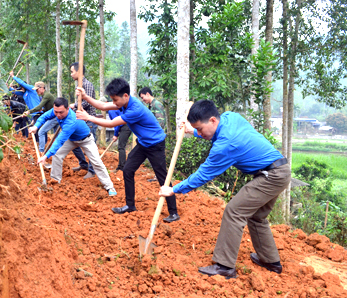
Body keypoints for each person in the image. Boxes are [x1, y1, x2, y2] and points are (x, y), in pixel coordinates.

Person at [158, 100, 291, 279]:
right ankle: (271, 261)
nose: (199, 132)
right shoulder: (230, 117)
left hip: (270, 176)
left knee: (234, 211)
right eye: (195, 129)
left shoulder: (226, 146)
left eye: (199, 129)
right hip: (279, 170)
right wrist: (195, 133)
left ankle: (225, 266)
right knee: (257, 216)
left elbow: (203, 175)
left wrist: (174, 190)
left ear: (213, 120)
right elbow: (214, 134)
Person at [76, 78, 180, 223]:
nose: (114, 103)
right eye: (113, 99)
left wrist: (88, 117)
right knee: (128, 170)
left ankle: (173, 212)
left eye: (115, 99)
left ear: (125, 96)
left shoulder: (135, 109)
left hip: (155, 144)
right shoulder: (123, 103)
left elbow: (112, 123)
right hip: (143, 143)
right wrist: (86, 97)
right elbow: (104, 106)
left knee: (163, 177)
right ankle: (130, 205)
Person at [29, 97, 117, 196]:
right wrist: (36, 126)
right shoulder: (57, 110)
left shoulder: (71, 121)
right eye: (56, 112)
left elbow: (59, 141)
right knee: (57, 154)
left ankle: (109, 186)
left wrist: (45, 157)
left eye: (61, 112)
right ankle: (55, 180)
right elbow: (44, 117)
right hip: (71, 139)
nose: (58, 115)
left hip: (86, 140)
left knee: (96, 161)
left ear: (68, 109)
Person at [69, 62, 98, 179]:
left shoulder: (87, 85)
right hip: (81, 120)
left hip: (89, 120)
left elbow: (87, 102)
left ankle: (92, 171)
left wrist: (74, 105)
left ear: (79, 71)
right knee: (73, 141)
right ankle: (83, 164)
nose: (71, 74)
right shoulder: (79, 86)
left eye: (72, 71)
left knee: (91, 148)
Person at [23, 81, 59, 165]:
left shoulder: (46, 96)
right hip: (54, 116)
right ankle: (57, 153)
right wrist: (42, 110)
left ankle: (41, 152)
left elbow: (39, 106)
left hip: (54, 117)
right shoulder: (44, 96)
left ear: (42, 88)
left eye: (37, 89)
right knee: (57, 135)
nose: (36, 91)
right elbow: (45, 108)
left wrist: (29, 112)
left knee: (41, 132)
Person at [138, 87, 166, 182]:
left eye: (143, 97)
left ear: (148, 94)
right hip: (153, 137)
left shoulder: (157, 105)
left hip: (157, 138)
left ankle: (161, 178)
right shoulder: (151, 105)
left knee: (159, 160)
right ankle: (157, 177)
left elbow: (160, 123)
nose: (143, 100)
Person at [9, 71, 42, 140]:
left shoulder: (31, 89)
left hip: (38, 112)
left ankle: (42, 145)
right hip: (32, 113)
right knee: (34, 130)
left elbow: (21, 83)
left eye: (21, 88)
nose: (21, 90)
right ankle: (38, 143)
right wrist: (8, 87)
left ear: (23, 87)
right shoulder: (24, 93)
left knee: (39, 130)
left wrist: (13, 76)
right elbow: (14, 92)